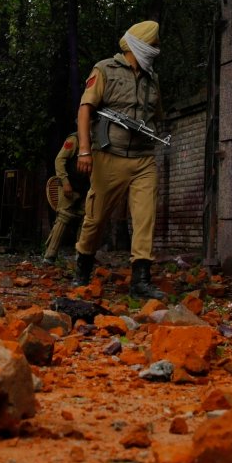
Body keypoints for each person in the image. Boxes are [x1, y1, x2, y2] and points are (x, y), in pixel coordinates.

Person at [72, 20, 166, 300]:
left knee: (145, 217)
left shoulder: (152, 79)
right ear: (141, 45)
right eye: (154, 44)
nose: (157, 49)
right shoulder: (105, 70)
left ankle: (141, 279)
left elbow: (157, 115)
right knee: (95, 217)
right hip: (108, 157)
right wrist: (85, 150)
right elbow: (85, 110)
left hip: (143, 159)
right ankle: (82, 269)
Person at [42, 132, 89, 265]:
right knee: (63, 218)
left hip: (85, 188)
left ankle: (80, 256)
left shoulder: (97, 142)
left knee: (85, 219)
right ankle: (49, 256)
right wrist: (65, 181)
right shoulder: (74, 140)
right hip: (70, 186)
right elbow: (60, 160)